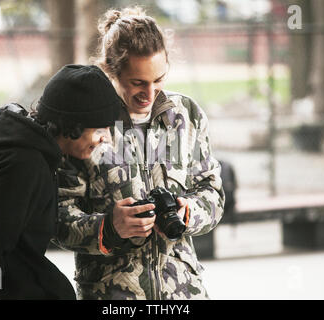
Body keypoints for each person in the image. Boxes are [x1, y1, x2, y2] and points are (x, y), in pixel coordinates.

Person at [55, 7, 225, 300]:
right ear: (111, 70)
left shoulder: (187, 115)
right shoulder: (85, 122)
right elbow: (55, 215)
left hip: (184, 293)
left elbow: (213, 193)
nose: (150, 93)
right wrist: (108, 227)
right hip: (112, 296)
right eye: (138, 83)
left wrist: (188, 212)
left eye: (159, 79)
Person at [0, 64, 123, 299]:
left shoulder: (27, 150)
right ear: (74, 124)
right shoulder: (22, 164)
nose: (105, 139)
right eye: (100, 128)